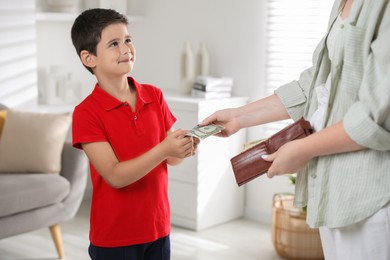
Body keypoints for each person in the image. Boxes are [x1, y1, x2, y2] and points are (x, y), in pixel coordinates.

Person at [201, 0, 390, 259]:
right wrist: (239, 116)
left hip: (372, 192)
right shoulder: (340, 4)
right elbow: (316, 82)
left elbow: (373, 114)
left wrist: (303, 149)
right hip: (332, 182)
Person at [70, 8, 199, 260]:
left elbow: (173, 159)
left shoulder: (154, 95)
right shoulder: (85, 113)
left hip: (158, 228)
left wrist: (188, 144)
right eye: (114, 44)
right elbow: (115, 176)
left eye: (128, 40)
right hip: (115, 237)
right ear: (89, 58)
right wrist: (164, 149)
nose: (126, 49)